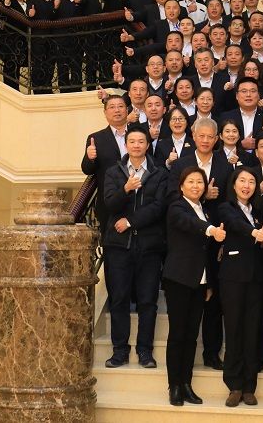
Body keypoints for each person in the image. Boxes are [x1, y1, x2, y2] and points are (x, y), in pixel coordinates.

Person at [167, 117, 233, 370]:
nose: (205, 140)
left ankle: (212, 353)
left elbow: (229, 204)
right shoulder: (180, 164)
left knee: (213, 302)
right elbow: (173, 199)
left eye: (210, 137)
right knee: (184, 319)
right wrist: (204, 195)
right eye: (201, 135)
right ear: (193, 136)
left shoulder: (225, 167)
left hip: (216, 243)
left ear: (217, 140)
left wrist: (221, 236)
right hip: (188, 243)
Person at [102, 127, 167, 369]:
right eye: (132, 141)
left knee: (148, 301)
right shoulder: (113, 172)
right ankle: (119, 351)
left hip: (149, 247)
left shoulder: (159, 173)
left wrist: (130, 221)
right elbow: (110, 204)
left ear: (148, 145)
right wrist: (126, 189)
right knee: (119, 299)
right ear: (126, 145)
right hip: (118, 246)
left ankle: (145, 351)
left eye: (141, 141)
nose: (137, 145)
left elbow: (159, 207)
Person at [163, 166, 226, 406]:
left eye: (200, 182)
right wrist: (210, 229)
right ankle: (174, 386)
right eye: (191, 181)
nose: (196, 186)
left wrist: (208, 282)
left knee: (191, 336)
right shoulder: (177, 207)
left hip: (200, 281)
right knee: (178, 334)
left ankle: (186, 384)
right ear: (181, 186)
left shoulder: (205, 210)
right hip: (179, 278)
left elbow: (206, 251)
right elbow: (188, 223)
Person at [217, 167, 263, 406]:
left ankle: (250, 386)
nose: (247, 185)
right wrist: (254, 233)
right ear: (234, 184)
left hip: (255, 279)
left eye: (251, 181)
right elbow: (235, 223)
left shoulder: (258, 211)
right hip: (232, 277)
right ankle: (234, 385)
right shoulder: (225, 208)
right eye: (242, 181)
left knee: (252, 331)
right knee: (234, 329)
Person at [81, 96, 131, 232]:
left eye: (120, 106)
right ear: (105, 112)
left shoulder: (138, 133)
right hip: (109, 200)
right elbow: (87, 169)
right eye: (112, 107)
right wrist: (90, 158)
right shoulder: (96, 138)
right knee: (109, 241)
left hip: (137, 199)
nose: (117, 110)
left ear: (127, 110)